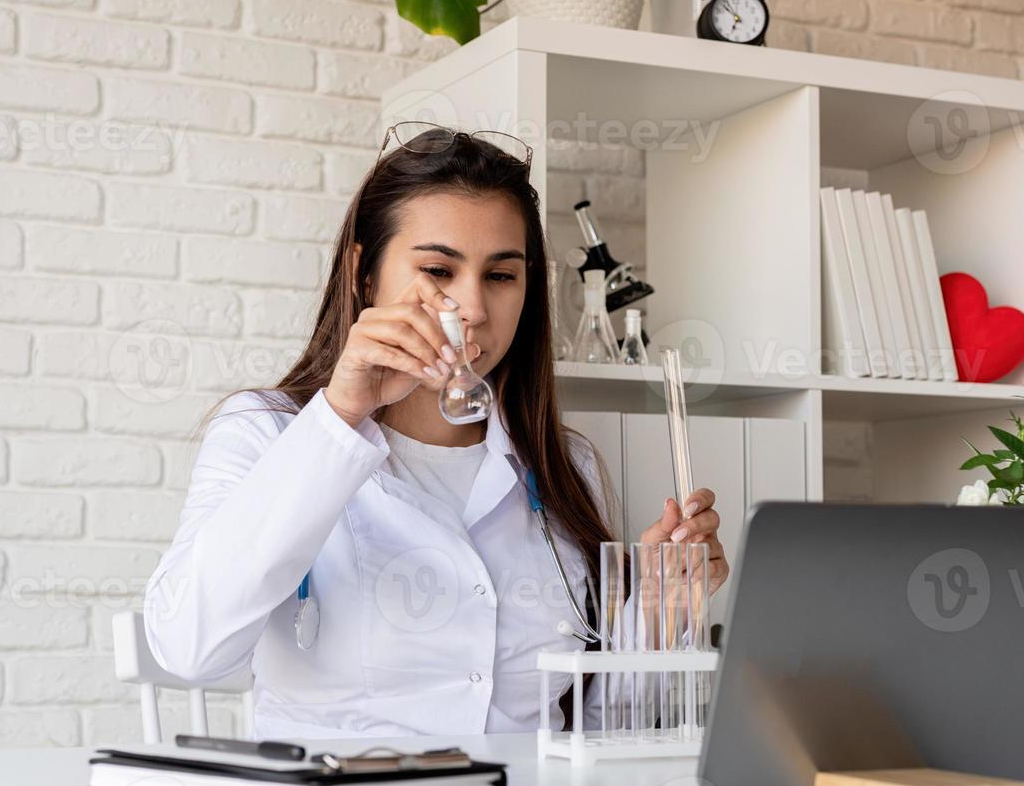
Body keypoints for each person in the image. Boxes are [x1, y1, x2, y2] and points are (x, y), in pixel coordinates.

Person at [143, 124, 729, 739]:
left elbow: (591, 736)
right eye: (438, 270)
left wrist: (658, 618)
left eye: (501, 276)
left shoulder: (563, 463)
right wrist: (341, 415)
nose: (472, 307)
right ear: (363, 275)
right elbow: (188, 650)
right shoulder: (265, 434)